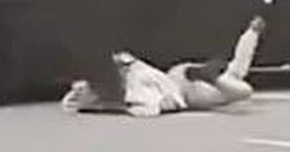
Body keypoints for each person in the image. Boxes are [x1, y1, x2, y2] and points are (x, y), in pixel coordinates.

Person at [63, 14, 267, 117]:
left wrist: (115, 107)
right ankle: (252, 33)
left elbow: (158, 106)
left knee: (241, 89)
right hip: (179, 77)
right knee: (237, 74)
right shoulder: (127, 74)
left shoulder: (132, 90)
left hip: (185, 88)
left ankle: (210, 74)